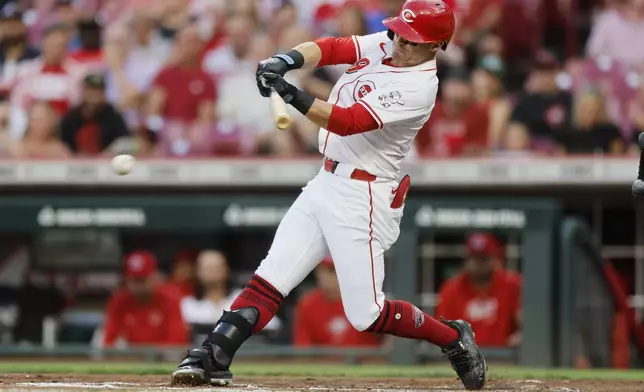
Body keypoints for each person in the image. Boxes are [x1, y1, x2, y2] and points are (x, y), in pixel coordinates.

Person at [171, 1, 487, 390]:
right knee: (270, 278)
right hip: (325, 180)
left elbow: (348, 121)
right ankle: (210, 355)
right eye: (398, 34)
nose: (399, 43)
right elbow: (334, 47)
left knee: (366, 314)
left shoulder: (419, 87)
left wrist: (289, 93)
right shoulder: (389, 42)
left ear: (436, 45)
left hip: (364, 195)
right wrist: (285, 60)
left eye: (412, 40)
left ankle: (452, 338)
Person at [435, 233, 522, 348]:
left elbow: (530, 325)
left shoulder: (512, 284)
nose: (479, 264)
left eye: (484, 258)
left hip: (504, 358)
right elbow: (441, 331)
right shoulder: (451, 288)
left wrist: (520, 339)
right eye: (474, 258)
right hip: (464, 359)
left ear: (496, 258)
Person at [103, 250, 189, 347]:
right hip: (129, 359)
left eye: (143, 280)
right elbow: (109, 340)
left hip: (162, 360)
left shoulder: (170, 298)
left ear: (154, 276)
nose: (139, 285)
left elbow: (176, 342)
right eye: (134, 280)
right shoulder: (119, 301)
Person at [293, 257, 381, 347]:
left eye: (332, 271)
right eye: (321, 270)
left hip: (363, 360)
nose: (325, 277)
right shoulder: (307, 305)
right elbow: (303, 353)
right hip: (324, 361)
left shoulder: (369, 301)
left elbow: (388, 348)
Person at [60, 73, 129, 156]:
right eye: (90, 90)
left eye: (98, 91)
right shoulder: (72, 116)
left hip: (107, 161)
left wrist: (111, 152)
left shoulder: (113, 115)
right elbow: (63, 141)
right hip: (75, 162)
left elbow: (124, 139)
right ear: (83, 91)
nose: (94, 94)